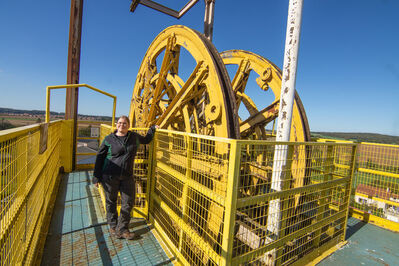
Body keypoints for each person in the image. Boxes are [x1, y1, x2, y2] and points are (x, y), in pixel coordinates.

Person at [93, 115, 157, 240]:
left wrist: (153, 128)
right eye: (120, 123)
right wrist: (96, 177)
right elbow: (100, 158)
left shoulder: (134, 137)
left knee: (128, 202)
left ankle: (122, 229)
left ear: (128, 125)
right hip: (110, 176)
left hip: (127, 176)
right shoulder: (109, 139)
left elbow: (147, 139)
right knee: (111, 201)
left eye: (124, 123)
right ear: (116, 125)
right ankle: (113, 225)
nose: (121, 125)